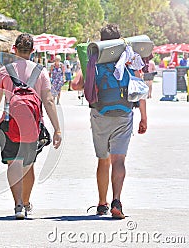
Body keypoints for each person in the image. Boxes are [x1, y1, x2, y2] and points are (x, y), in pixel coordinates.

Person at [0, 33, 62, 219]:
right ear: (32, 51)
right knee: (28, 165)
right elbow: (49, 101)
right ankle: (27, 202)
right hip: (33, 125)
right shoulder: (40, 71)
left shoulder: (5, 71)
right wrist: (57, 129)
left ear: (14, 49)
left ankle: (18, 205)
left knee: (13, 162)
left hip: (8, 123)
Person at [84, 24, 147, 219]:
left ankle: (102, 204)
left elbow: (80, 83)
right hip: (124, 112)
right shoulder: (128, 56)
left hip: (100, 114)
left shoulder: (95, 57)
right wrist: (144, 117)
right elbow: (139, 87)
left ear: (101, 39)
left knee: (103, 160)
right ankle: (116, 201)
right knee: (118, 159)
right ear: (120, 39)